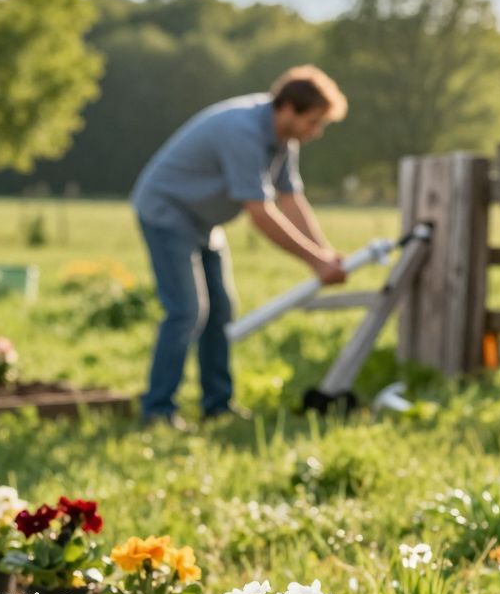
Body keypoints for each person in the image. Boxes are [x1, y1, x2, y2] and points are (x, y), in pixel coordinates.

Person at [129, 66, 350, 429]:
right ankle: (157, 409)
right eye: (313, 122)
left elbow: (292, 200)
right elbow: (261, 214)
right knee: (187, 310)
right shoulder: (242, 132)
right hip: (167, 212)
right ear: (289, 108)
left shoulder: (284, 140)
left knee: (221, 309)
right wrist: (315, 262)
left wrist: (324, 252)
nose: (317, 132)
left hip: (203, 221)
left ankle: (217, 404)